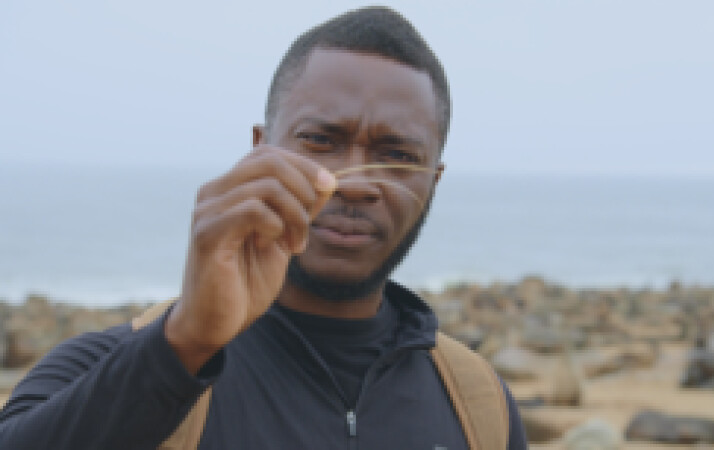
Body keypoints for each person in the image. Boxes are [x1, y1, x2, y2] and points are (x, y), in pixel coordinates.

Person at [0, 6, 527, 449]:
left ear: (433, 181)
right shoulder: (119, 361)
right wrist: (185, 343)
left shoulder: (477, 406)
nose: (354, 183)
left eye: (397, 155)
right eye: (321, 140)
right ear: (260, 149)